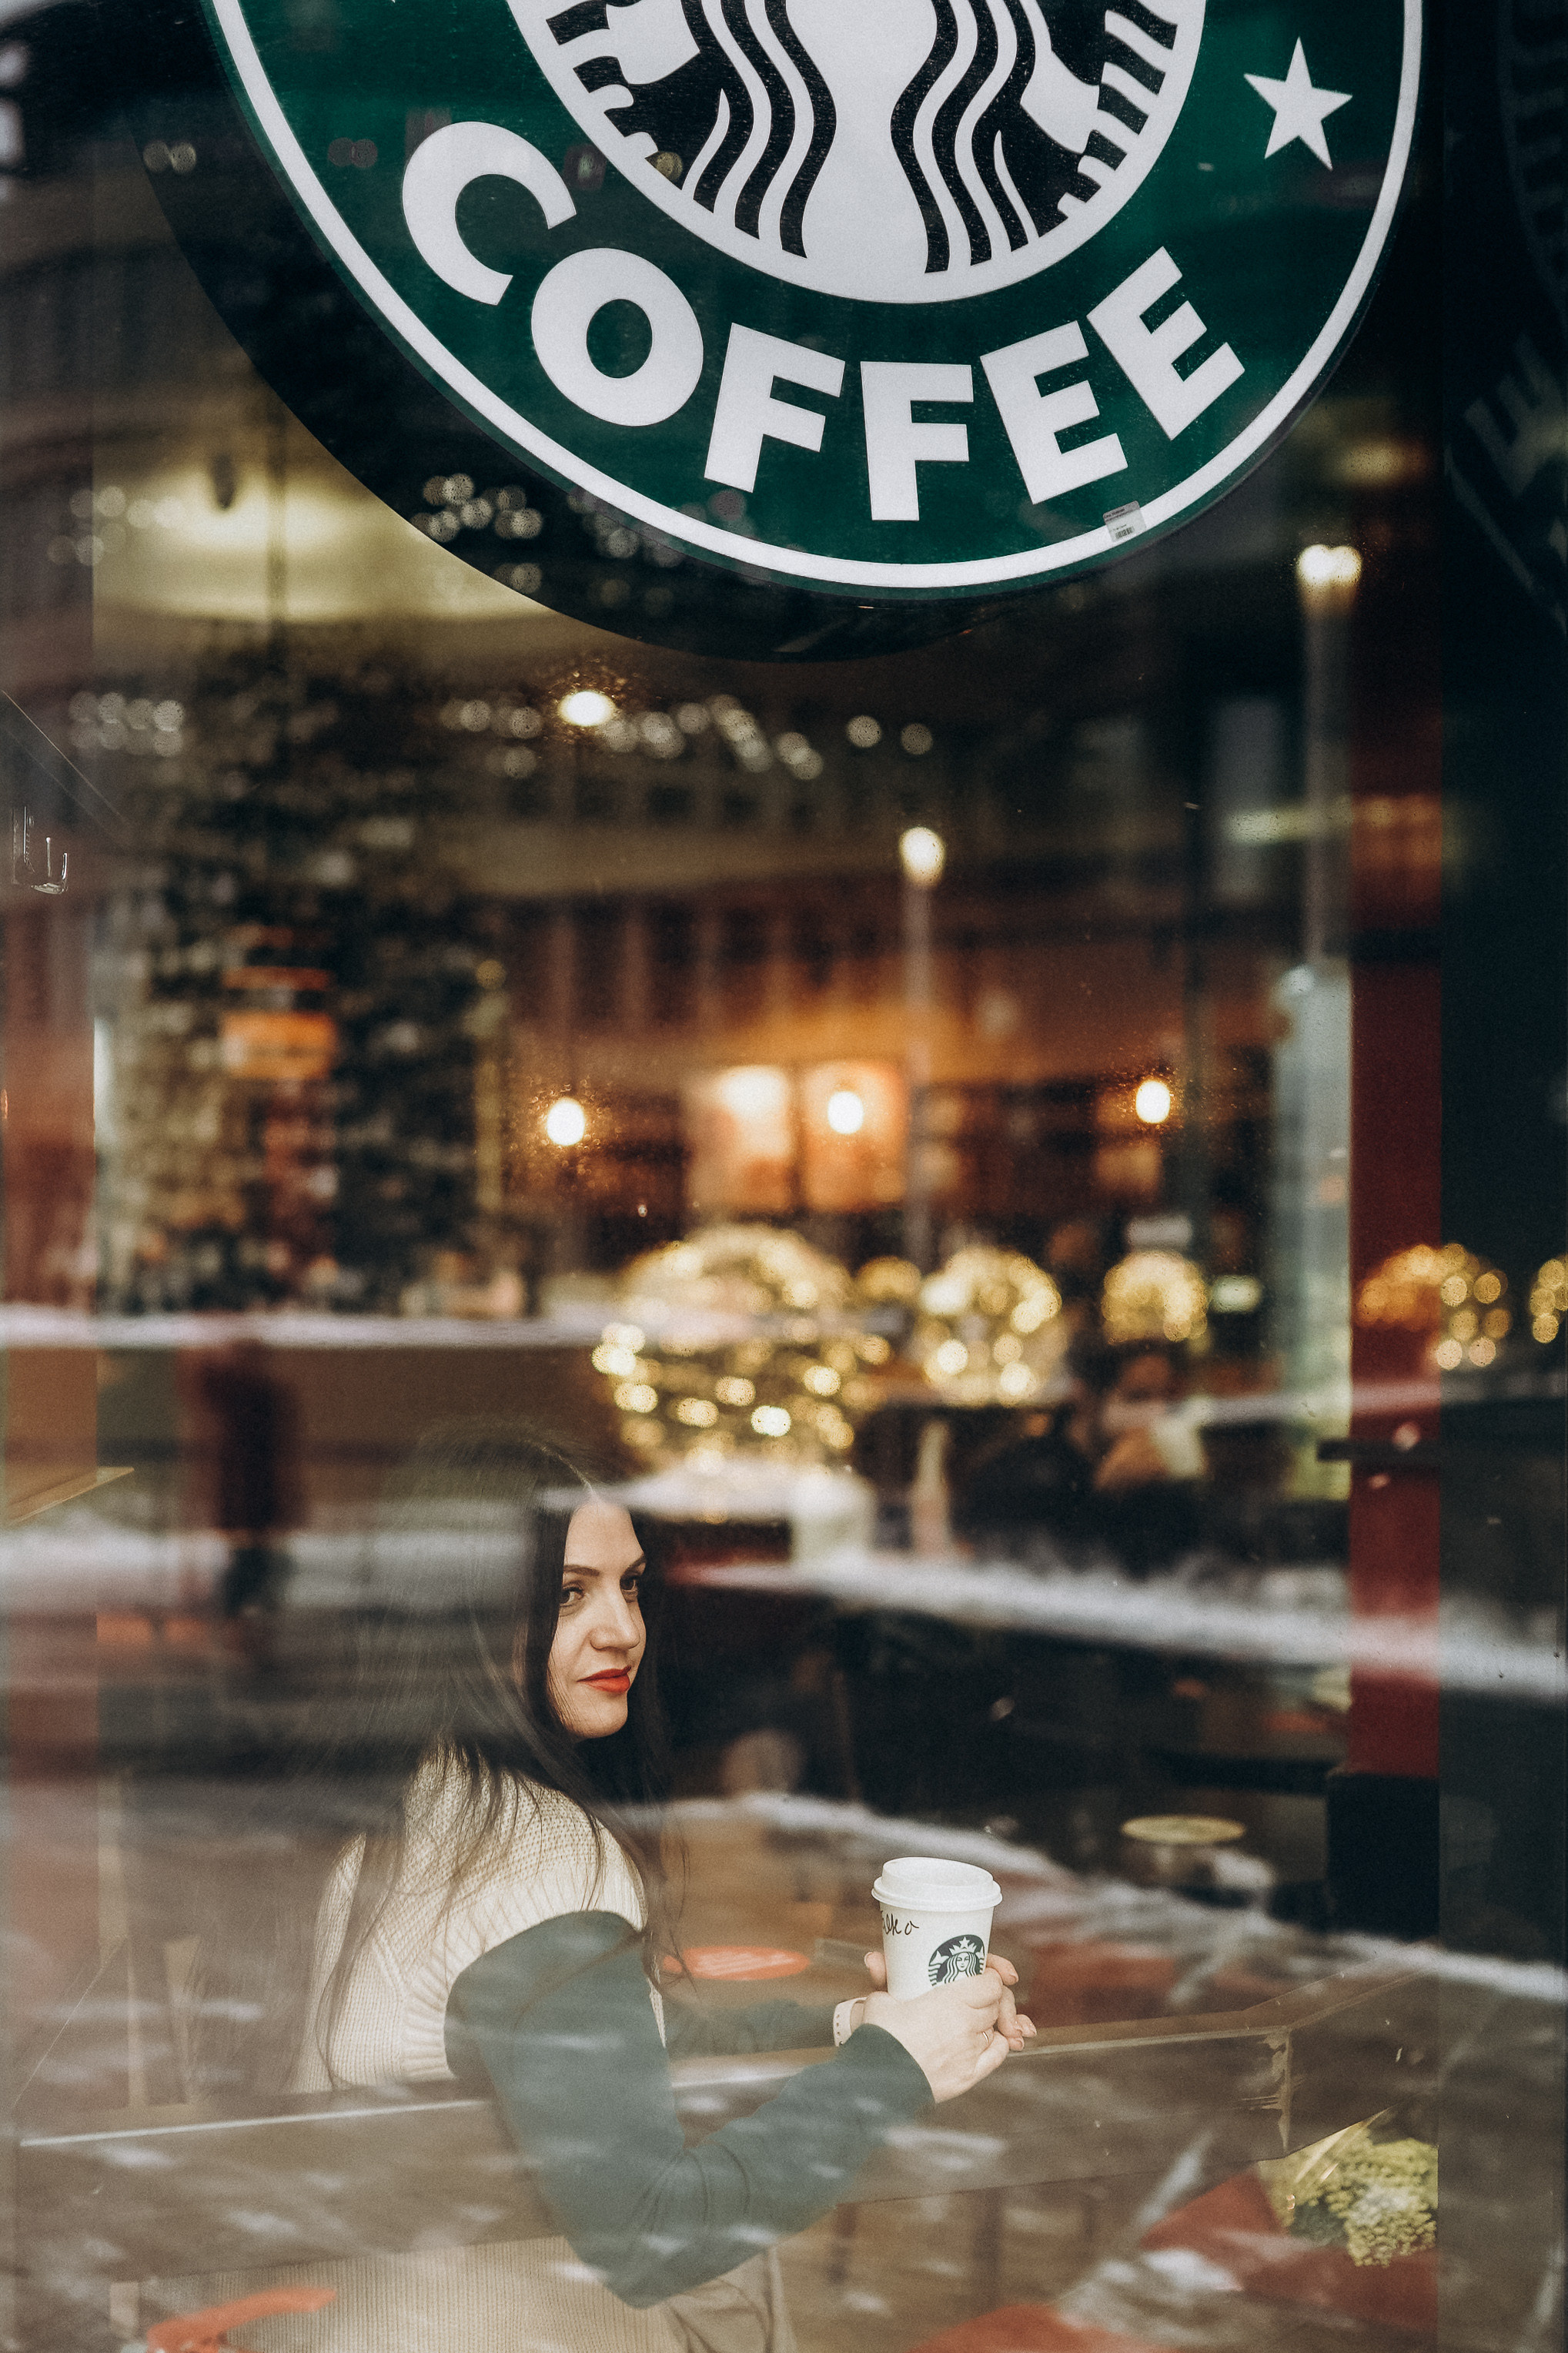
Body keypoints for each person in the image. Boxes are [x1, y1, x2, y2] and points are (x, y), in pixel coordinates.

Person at [155, 1426, 1032, 2353]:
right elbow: (653, 2234)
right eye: (570, 1593)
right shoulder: (536, 1856)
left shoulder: (384, 1793)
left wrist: (861, 2027)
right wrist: (892, 2071)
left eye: (630, 1583)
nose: (622, 1626)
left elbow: (610, 2045)